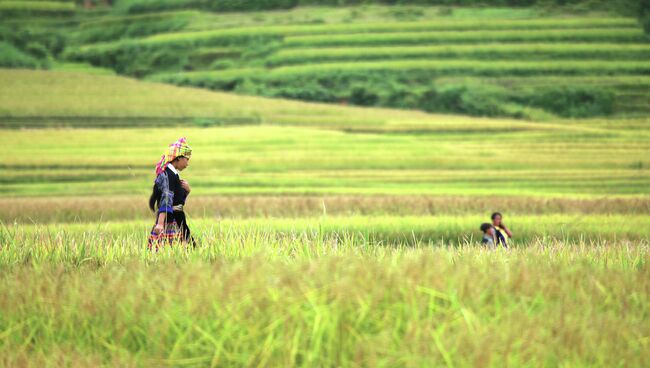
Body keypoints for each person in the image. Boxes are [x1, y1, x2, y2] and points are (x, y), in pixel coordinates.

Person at [148, 137, 195, 249]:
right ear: (178, 158)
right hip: (171, 219)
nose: (187, 164)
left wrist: (187, 191)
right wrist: (160, 223)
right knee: (174, 248)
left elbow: (176, 200)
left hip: (178, 218)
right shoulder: (168, 175)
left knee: (187, 247)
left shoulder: (173, 174)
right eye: (187, 159)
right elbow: (166, 198)